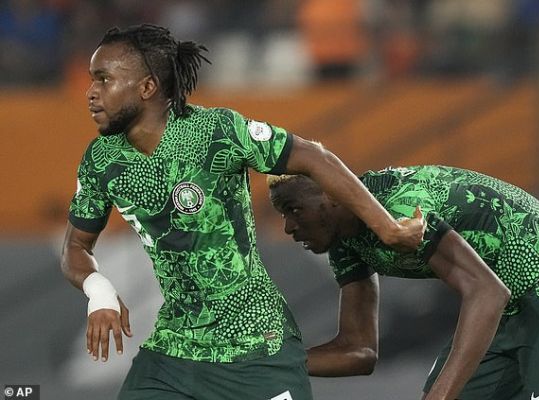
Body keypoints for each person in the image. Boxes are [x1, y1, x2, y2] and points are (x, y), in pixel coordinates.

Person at [60, 24, 426, 400]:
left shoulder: (216, 131)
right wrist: (98, 291)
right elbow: (76, 248)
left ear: (147, 87)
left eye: (103, 79)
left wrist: (387, 228)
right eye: (92, 80)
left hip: (257, 346)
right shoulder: (101, 161)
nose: (91, 93)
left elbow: (315, 158)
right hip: (175, 353)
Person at [267, 165, 539, 400]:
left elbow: (487, 292)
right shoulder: (346, 240)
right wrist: (265, 361)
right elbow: (359, 350)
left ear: (334, 194)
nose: (288, 227)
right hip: (506, 307)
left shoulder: (401, 208)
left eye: (294, 209)